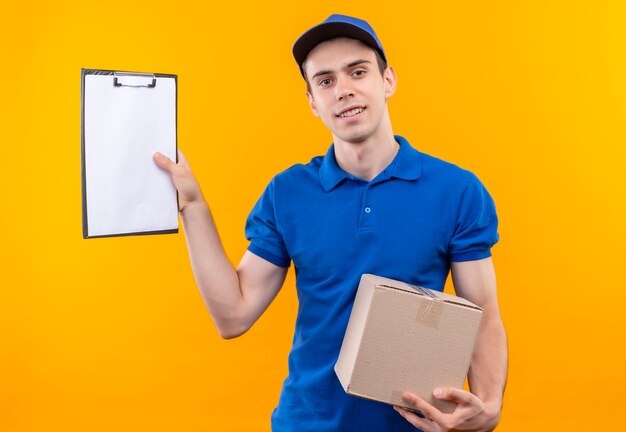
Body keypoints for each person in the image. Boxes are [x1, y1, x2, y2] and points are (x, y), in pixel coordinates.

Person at [154, 14, 507, 432]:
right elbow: (233, 315)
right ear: (313, 102)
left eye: (357, 72)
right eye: (325, 81)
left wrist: (488, 407)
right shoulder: (288, 193)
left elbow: (481, 312)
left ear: (388, 80)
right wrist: (193, 206)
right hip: (307, 422)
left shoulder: (457, 190)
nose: (344, 90)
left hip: (414, 424)